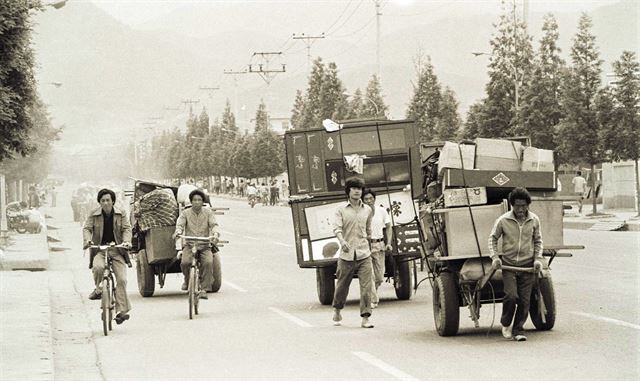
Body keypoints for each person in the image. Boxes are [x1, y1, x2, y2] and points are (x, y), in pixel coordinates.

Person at [489, 187, 543, 342]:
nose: (521, 209)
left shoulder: (534, 220)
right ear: (512, 205)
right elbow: (492, 238)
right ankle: (506, 323)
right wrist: (495, 257)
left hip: (527, 266)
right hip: (509, 265)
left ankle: (518, 329)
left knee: (525, 300)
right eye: (517, 206)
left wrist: (538, 259)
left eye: (524, 205)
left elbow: (538, 240)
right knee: (511, 296)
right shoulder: (503, 220)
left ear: (528, 205)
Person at [82, 188, 133, 325]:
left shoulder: (121, 213)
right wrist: (88, 241)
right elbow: (87, 228)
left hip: (117, 250)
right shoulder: (94, 214)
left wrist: (127, 241)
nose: (105, 203)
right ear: (99, 202)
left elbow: (127, 229)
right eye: (103, 200)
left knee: (121, 279)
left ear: (113, 201)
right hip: (100, 249)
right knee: (98, 267)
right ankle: (99, 289)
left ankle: (121, 311)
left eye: (108, 200)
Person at [331, 178, 375, 328]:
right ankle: (337, 309)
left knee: (366, 287)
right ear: (348, 191)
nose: (357, 191)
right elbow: (337, 228)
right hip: (346, 254)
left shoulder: (367, 210)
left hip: (364, 254)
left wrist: (370, 242)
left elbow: (368, 229)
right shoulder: (341, 209)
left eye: (360, 189)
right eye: (354, 188)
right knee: (342, 286)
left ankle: (365, 317)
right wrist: (342, 241)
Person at [172, 189, 220, 300]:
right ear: (191, 201)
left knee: (208, 262)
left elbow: (214, 225)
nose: (197, 202)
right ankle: (187, 280)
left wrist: (216, 233)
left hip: (204, 245)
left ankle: (204, 289)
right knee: (185, 262)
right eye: (194, 200)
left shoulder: (208, 213)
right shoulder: (185, 213)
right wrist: (178, 232)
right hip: (190, 245)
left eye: (199, 200)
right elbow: (180, 224)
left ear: (202, 201)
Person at [361, 189, 393, 308]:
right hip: (366, 246)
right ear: (362, 200)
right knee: (370, 275)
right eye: (366, 199)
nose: (369, 201)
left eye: (371, 198)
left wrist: (388, 242)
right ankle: (373, 300)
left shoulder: (382, 211)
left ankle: (372, 292)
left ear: (374, 199)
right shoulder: (361, 212)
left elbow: (389, 227)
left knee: (379, 277)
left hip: (379, 245)